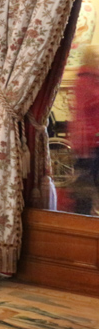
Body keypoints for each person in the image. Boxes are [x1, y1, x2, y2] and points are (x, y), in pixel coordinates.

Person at [72, 45, 99, 214]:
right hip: (89, 139)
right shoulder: (85, 80)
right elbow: (86, 107)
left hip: (91, 137)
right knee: (88, 179)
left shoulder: (92, 78)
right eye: (95, 57)